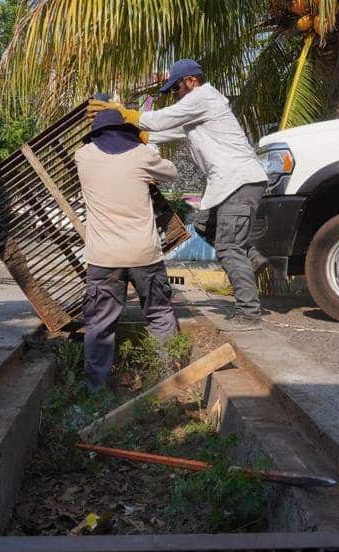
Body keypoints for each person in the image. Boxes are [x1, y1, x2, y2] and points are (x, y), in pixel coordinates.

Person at [87, 59, 269, 331]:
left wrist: (122, 112)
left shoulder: (203, 97)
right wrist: (133, 133)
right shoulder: (197, 110)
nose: (175, 94)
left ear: (191, 81)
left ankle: (249, 313)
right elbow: (164, 130)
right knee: (204, 224)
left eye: (176, 89)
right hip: (229, 184)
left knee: (229, 248)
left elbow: (161, 119)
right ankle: (251, 258)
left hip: (239, 181)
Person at [75, 109, 180, 391]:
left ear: (96, 134)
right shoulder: (141, 155)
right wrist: (146, 149)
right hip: (144, 254)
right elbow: (171, 171)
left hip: (103, 258)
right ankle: (168, 379)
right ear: (126, 132)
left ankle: (96, 390)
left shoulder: (83, 156)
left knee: (100, 324)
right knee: (159, 314)